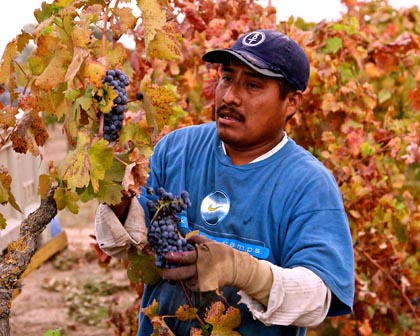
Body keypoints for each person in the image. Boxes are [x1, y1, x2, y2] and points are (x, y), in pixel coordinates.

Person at [95, 29, 355, 336]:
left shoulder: (309, 184)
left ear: (291, 103)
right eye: (227, 78)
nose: (230, 96)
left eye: (253, 85)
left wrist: (241, 270)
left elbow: (318, 297)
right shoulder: (178, 149)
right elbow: (132, 241)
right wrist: (111, 175)